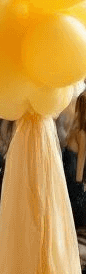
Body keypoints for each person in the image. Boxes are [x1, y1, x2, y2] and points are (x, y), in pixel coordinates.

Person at [63, 92, 86, 229]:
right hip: (74, 175)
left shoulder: (73, 128)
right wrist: (80, 186)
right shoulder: (82, 134)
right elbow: (81, 162)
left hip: (66, 172)